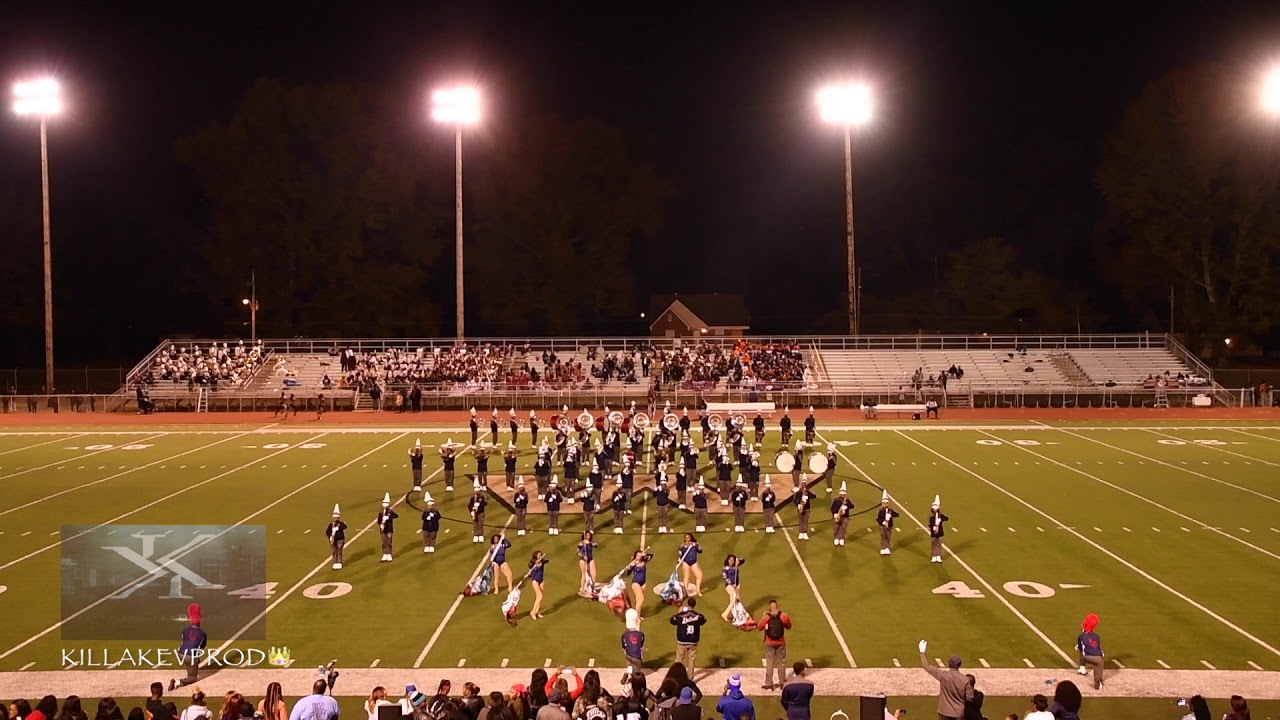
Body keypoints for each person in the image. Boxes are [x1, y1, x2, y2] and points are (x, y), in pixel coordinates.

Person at [917, 640, 972, 720]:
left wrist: (922, 652)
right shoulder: (965, 680)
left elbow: (926, 666)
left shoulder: (943, 676)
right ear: (959, 664)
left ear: (949, 663)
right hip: (958, 713)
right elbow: (969, 698)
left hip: (944, 712)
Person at [168, 604, 207, 690]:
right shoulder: (202, 634)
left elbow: (184, 640)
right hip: (190, 656)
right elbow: (202, 647)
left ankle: (191, 667)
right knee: (193, 678)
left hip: (180, 653)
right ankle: (177, 682)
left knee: (191, 660)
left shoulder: (185, 631)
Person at [758, 600, 792, 690]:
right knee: (781, 663)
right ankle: (782, 682)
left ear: (769, 607)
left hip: (769, 643)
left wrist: (763, 617)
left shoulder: (766, 617)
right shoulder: (783, 616)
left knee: (770, 663)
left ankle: (769, 683)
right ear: (777, 606)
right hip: (781, 642)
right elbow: (789, 626)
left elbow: (759, 627)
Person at [670, 600, 708, 676]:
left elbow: (672, 620)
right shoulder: (698, 615)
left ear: (687, 604)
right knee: (691, 660)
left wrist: (679, 612)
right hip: (693, 641)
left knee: (679, 659)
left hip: (682, 640)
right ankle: (690, 678)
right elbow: (703, 620)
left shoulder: (681, 615)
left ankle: (677, 676)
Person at [1075, 613, 1104, 690]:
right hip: (1099, 657)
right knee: (1098, 665)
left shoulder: (1082, 636)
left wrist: (1078, 646)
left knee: (1081, 648)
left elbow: (1081, 647)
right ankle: (1098, 682)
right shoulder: (1097, 636)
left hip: (1087, 657)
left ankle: (1082, 667)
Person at [627, 549, 655, 615]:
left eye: (640, 555)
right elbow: (628, 573)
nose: (638, 556)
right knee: (641, 599)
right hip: (636, 582)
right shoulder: (634, 564)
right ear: (635, 556)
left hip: (643, 583)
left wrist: (645, 554)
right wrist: (630, 567)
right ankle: (635, 615)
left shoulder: (644, 561)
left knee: (638, 600)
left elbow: (651, 556)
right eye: (637, 555)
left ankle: (638, 616)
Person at [720, 555, 745, 622]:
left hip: (737, 585)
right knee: (733, 598)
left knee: (736, 599)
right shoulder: (725, 568)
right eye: (730, 560)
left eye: (732, 560)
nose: (731, 561)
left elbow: (743, 560)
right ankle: (725, 614)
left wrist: (738, 561)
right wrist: (731, 583)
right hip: (729, 586)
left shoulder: (735, 566)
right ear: (727, 560)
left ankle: (732, 614)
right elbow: (725, 578)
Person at [622, 608, 646, 677]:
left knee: (629, 664)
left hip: (628, 655)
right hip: (637, 656)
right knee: (637, 671)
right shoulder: (641, 634)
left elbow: (624, 647)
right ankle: (633, 678)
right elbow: (641, 643)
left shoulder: (624, 635)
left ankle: (628, 674)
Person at [876, 491, 900, 555]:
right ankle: (883, 548)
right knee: (883, 536)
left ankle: (887, 548)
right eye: (884, 503)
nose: (885, 504)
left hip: (889, 526)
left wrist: (891, 514)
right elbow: (878, 519)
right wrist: (883, 522)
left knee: (888, 537)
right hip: (882, 526)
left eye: (886, 503)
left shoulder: (890, 510)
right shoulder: (880, 511)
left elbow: (897, 515)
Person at [377, 492, 398, 562]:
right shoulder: (381, 512)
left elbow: (396, 516)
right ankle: (384, 554)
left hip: (389, 529)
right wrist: (381, 524)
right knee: (384, 542)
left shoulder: (390, 511)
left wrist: (389, 517)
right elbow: (378, 520)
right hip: (383, 529)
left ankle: (389, 554)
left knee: (389, 542)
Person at [927, 495, 949, 564]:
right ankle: (934, 556)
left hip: (940, 533)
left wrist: (941, 517)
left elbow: (946, 518)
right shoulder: (931, 517)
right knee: (934, 544)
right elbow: (930, 524)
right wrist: (932, 527)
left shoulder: (940, 516)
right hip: (934, 533)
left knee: (939, 544)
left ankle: (938, 556)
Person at [529, 551, 549, 620]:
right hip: (535, 581)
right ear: (535, 556)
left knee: (540, 597)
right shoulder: (532, 564)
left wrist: (541, 561)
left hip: (541, 581)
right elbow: (532, 574)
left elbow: (547, 560)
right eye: (539, 555)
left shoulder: (542, 562)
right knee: (539, 596)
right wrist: (536, 566)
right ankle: (533, 612)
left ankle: (537, 612)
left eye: (540, 555)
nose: (540, 556)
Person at [578, 532, 599, 597]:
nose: (588, 536)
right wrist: (583, 556)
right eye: (587, 535)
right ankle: (582, 589)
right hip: (583, 560)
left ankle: (592, 588)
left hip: (590, 559)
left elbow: (596, 545)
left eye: (589, 535)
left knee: (594, 575)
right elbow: (578, 552)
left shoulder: (591, 542)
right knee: (584, 575)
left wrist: (589, 543)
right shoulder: (581, 543)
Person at [326, 505, 347, 570]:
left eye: (336, 517)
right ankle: (335, 562)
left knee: (339, 550)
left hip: (340, 540)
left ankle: (339, 562)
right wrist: (330, 537)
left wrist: (337, 528)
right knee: (334, 551)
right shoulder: (331, 525)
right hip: (333, 540)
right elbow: (327, 531)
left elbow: (344, 526)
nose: (334, 519)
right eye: (334, 517)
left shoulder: (341, 524)